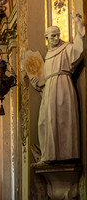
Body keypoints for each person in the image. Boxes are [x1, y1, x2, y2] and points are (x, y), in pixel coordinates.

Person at [31, 13, 85, 163]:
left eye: (57, 35)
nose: (56, 38)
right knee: (46, 121)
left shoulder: (66, 48)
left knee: (63, 120)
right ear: (46, 38)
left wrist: (79, 25)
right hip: (49, 90)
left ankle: (65, 155)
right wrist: (38, 86)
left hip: (63, 87)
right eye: (52, 36)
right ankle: (48, 156)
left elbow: (79, 50)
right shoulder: (47, 56)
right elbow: (45, 79)